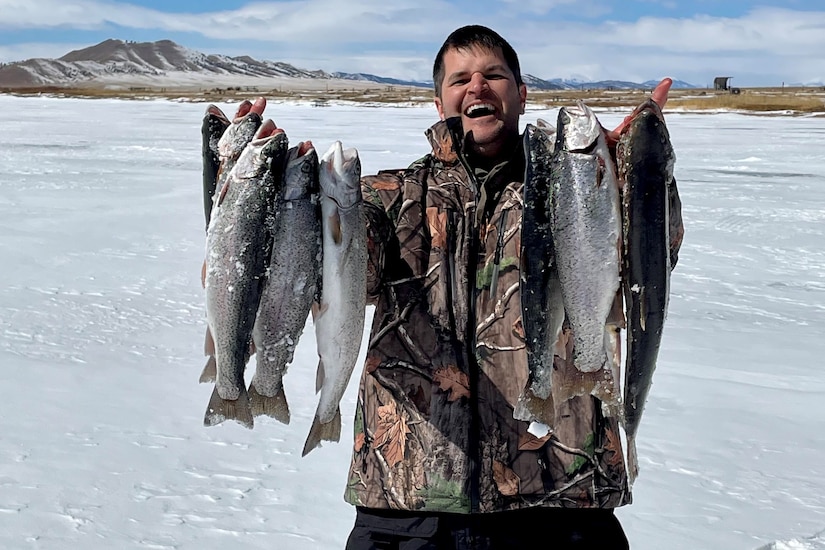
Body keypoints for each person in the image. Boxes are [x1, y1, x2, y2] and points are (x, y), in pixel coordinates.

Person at [243, 24, 683, 549]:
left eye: (494, 75)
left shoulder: (568, 191)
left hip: (563, 496)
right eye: (460, 79)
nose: (477, 87)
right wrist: (249, 204)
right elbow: (321, 265)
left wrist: (637, 170)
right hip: (408, 502)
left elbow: (652, 257)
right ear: (438, 101)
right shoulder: (390, 197)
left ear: (521, 95)